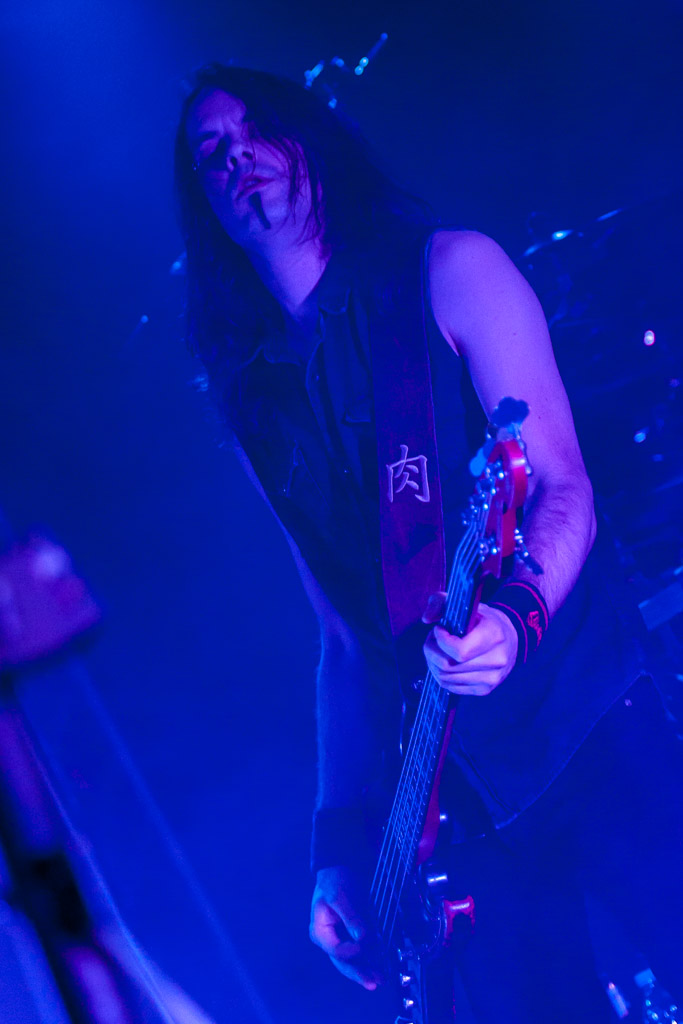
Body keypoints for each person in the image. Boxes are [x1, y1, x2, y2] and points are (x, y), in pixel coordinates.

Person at [174, 64, 683, 1022]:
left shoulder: (452, 272)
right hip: (454, 805)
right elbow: (342, 642)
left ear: (309, 142)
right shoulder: (254, 410)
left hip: (587, 723)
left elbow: (562, 484)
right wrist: (336, 848)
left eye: (257, 130)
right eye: (211, 152)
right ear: (205, 206)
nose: (236, 156)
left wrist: (514, 618)